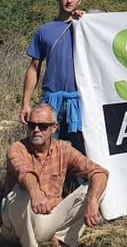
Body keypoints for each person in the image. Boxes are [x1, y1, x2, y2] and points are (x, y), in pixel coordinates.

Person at [2, 104, 109, 247]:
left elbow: (99, 172)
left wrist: (92, 201)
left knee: (95, 187)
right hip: (18, 223)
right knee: (20, 194)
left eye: (43, 126)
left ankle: (62, 240)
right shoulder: (17, 149)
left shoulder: (63, 149)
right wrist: (35, 193)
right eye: (32, 125)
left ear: (54, 127)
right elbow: (24, 172)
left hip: (49, 217)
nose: (36, 130)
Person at [20, 0, 86, 154]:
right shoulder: (44, 31)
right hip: (51, 101)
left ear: (79, 0)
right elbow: (34, 68)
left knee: (82, 153)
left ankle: (80, 182)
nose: (69, 1)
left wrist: (88, 19)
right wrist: (26, 103)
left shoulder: (85, 26)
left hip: (80, 101)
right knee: (47, 152)